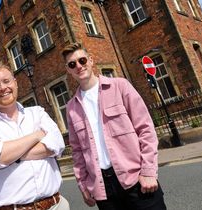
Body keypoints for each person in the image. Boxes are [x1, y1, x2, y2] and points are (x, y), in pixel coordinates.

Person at [63, 42, 167, 210]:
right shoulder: (71, 107)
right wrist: (83, 185)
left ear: (91, 60)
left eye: (82, 60)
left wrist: (148, 171)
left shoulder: (120, 86)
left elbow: (145, 128)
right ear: (68, 70)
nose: (79, 66)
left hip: (136, 179)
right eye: (72, 64)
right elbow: (77, 151)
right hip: (104, 189)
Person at [0, 62, 70, 210]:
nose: (3, 88)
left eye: (6, 81)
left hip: (56, 205)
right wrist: (38, 135)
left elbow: (57, 144)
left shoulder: (37, 113)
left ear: (15, 83)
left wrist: (9, 153)